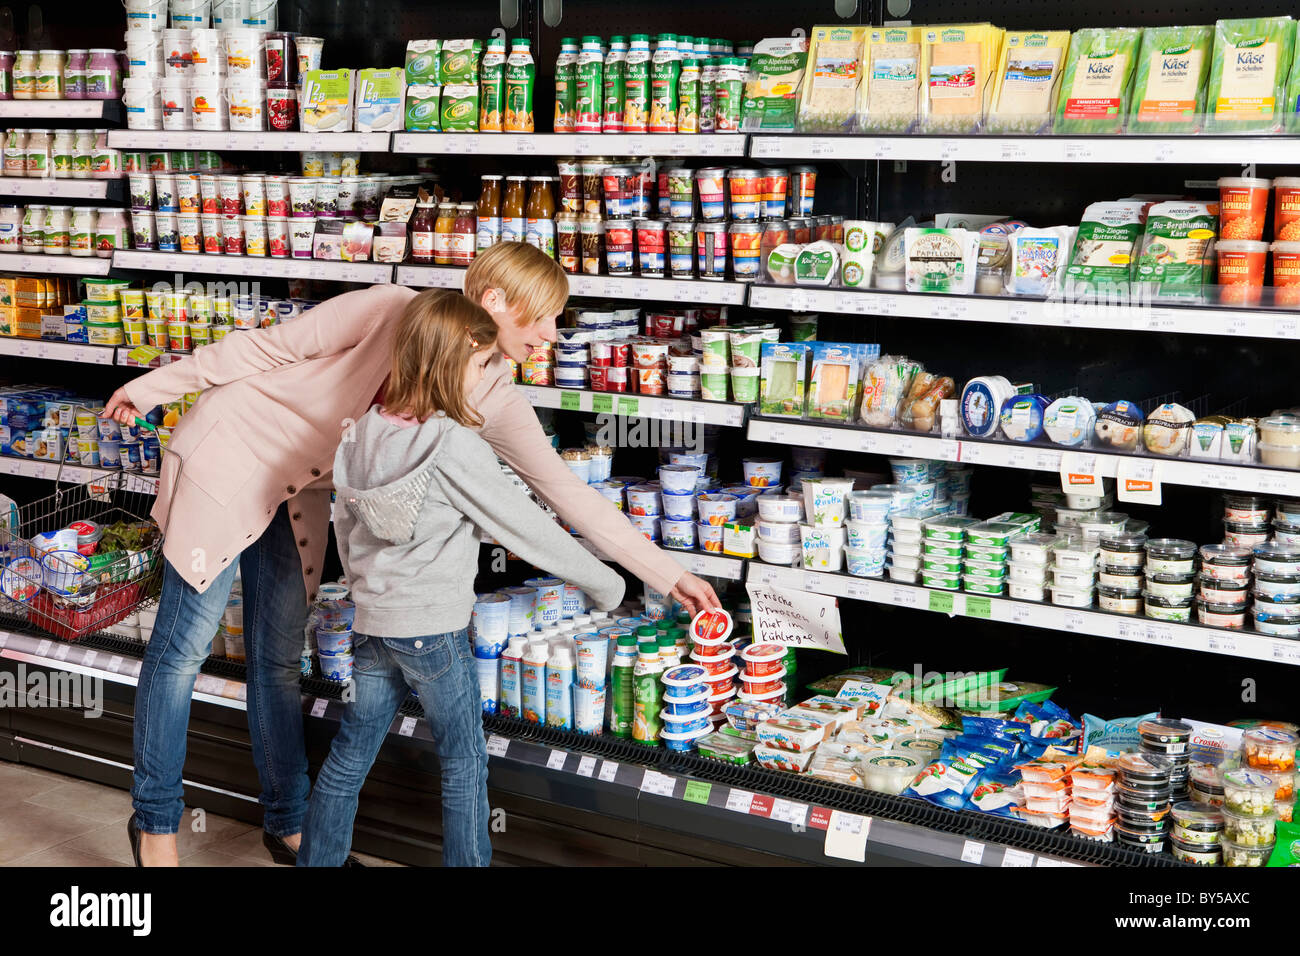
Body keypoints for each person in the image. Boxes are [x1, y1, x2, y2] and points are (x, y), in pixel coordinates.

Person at [106, 241, 718, 866]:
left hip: (294, 496)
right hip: (232, 456)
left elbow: (566, 496)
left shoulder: (494, 396)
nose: (552, 334)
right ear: (492, 301)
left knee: (278, 659)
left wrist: (669, 575)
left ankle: (290, 824)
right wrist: (156, 386)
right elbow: (266, 347)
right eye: (542, 316)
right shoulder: (390, 309)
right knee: (182, 652)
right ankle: (156, 825)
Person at [299, 291, 624, 866]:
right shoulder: (451, 444)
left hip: (373, 625)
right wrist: (605, 583)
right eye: (479, 364)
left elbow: (344, 525)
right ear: (448, 361)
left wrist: (365, 593)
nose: (484, 377)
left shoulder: (361, 430)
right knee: (463, 761)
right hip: (433, 631)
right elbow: (526, 528)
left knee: (351, 753)